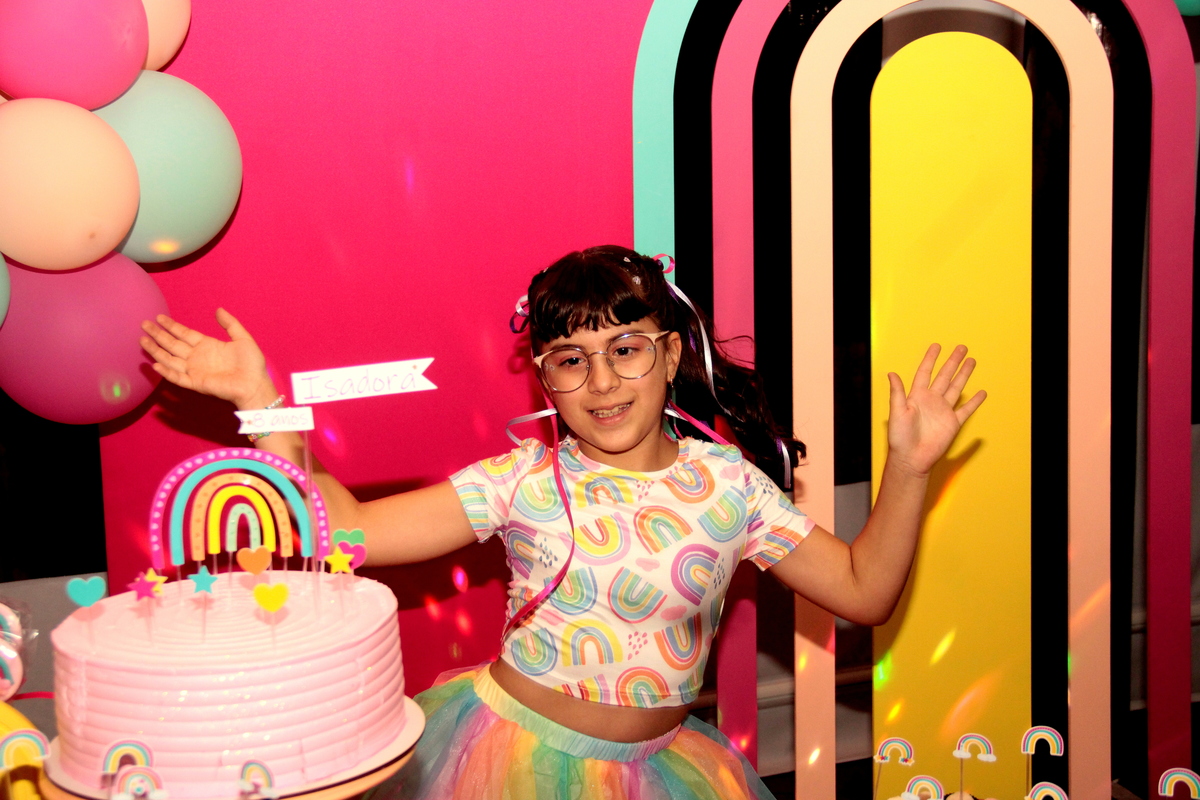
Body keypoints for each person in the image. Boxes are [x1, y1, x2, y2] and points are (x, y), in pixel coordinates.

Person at [139, 245, 985, 800]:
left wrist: (908, 470)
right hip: (505, 764)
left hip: (664, 773)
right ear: (545, 382)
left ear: (671, 354)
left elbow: (866, 591)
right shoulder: (525, 482)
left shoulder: (730, 486)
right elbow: (346, 531)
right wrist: (261, 402)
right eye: (570, 361)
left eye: (626, 348)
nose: (603, 381)